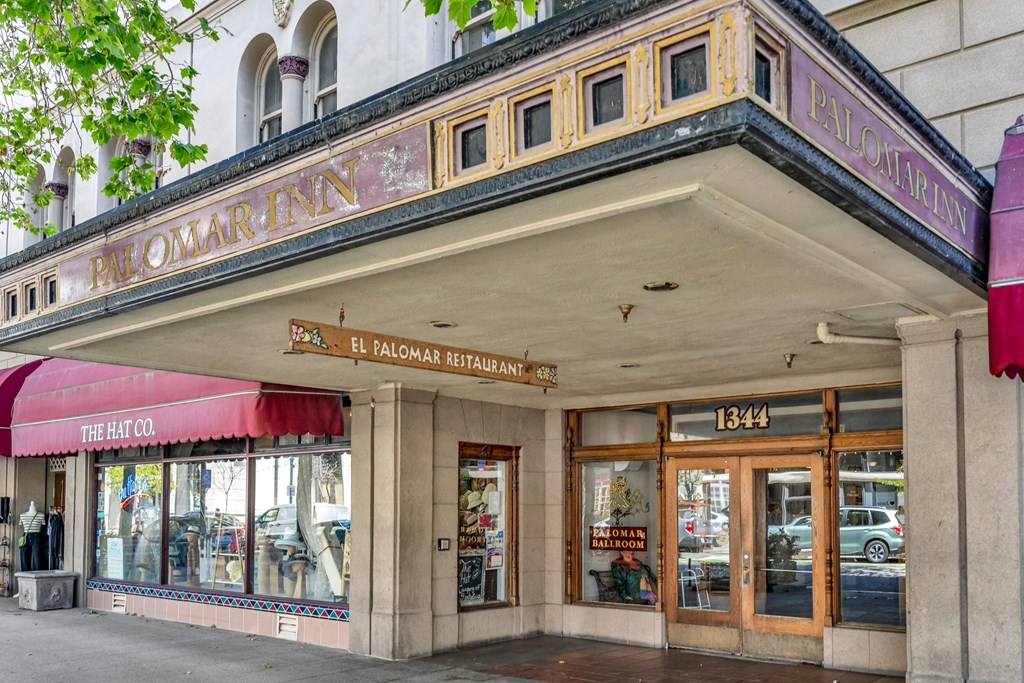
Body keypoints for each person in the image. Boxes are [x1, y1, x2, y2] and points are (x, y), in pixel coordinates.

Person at [19, 501, 45, 572]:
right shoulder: (22, 515)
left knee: (37, 560)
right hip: (25, 537)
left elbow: (43, 524)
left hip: (36, 536)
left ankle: (37, 579)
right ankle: (25, 580)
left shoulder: (41, 515)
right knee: (24, 559)